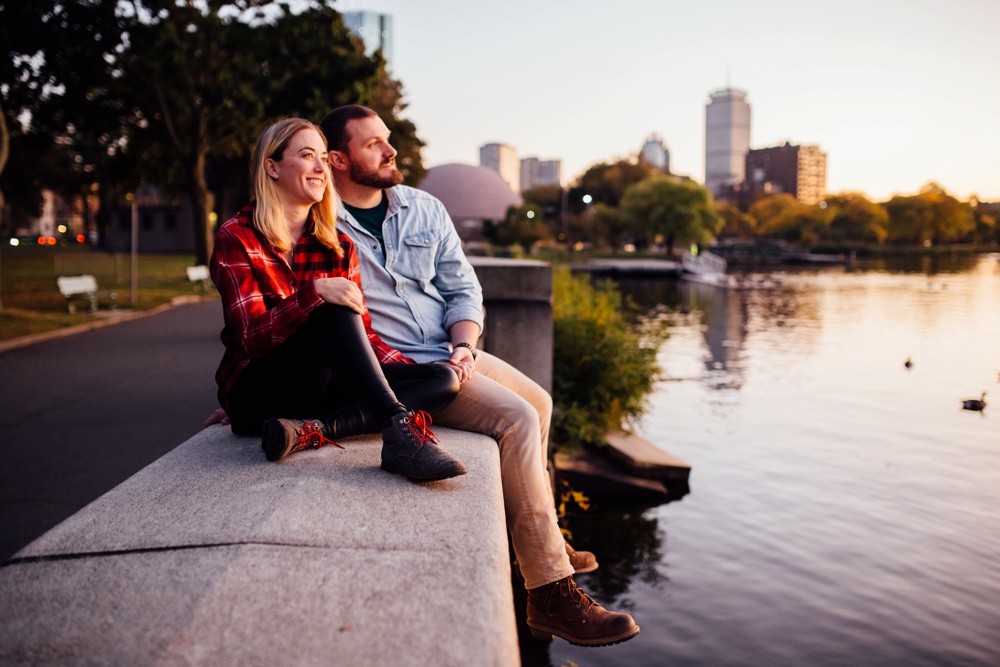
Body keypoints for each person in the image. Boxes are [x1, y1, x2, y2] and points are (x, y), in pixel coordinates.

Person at [319, 105, 639, 647]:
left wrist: (465, 346)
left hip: (449, 350)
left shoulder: (423, 207)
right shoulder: (321, 220)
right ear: (337, 160)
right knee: (515, 419)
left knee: (538, 402)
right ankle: (551, 594)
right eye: (372, 144)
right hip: (400, 370)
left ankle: (543, 543)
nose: (390, 151)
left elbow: (463, 288)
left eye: (387, 139)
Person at [210, 117, 466, 483]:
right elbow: (252, 337)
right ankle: (400, 433)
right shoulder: (238, 237)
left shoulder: (338, 246)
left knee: (440, 380)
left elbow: (362, 334)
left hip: (317, 393)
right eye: (307, 155)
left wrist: (408, 371)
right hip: (259, 392)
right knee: (330, 307)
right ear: (272, 167)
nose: (320, 168)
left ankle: (310, 430)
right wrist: (313, 294)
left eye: (324, 160)